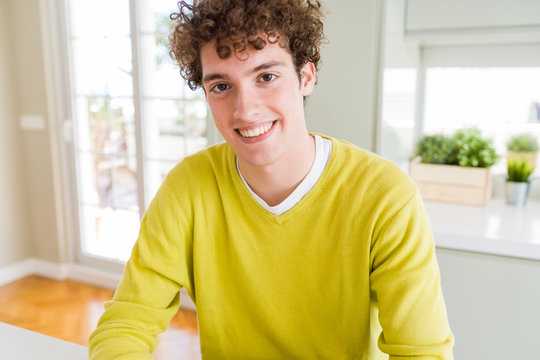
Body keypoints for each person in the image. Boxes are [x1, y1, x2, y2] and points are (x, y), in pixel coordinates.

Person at [89, 0, 454, 359]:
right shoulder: (188, 188)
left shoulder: (384, 196)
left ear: (306, 77)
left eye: (266, 76)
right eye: (221, 86)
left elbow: (422, 353)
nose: (245, 110)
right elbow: (126, 324)